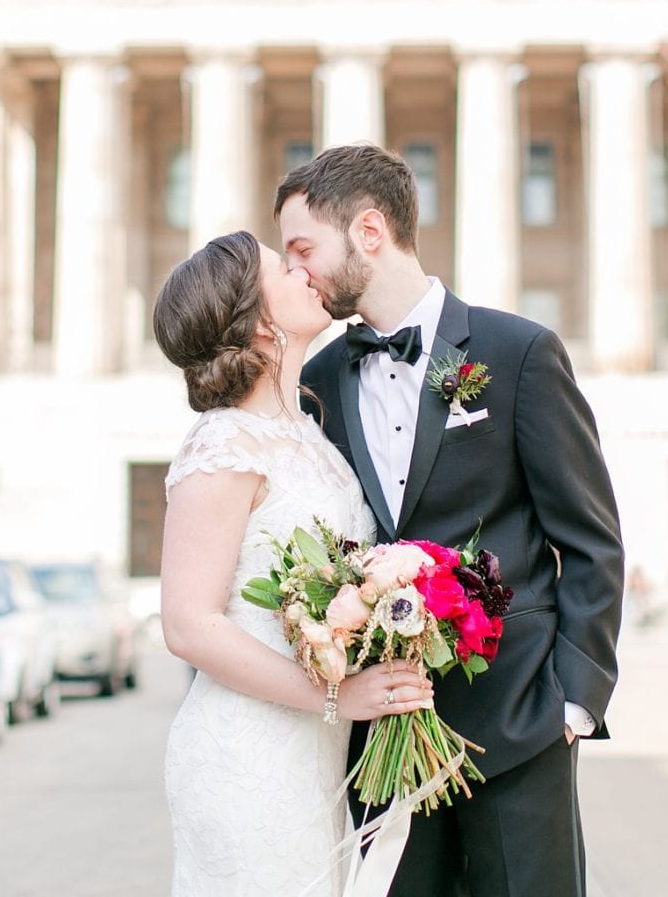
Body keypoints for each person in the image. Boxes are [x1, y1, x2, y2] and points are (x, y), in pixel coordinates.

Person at [278, 144, 625, 897]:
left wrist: (574, 700)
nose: (295, 271)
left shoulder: (519, 352)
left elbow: (590, 537)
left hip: (519, 725)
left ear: (369, 231)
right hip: (382, 739)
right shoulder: (319, 381)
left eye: (303, 249)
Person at [155, 230, 433, 897]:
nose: (307, 270)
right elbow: (188, 626)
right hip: (247, 753)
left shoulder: (310, 430)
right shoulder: (223, 443)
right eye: (286, 267)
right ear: (255, 320)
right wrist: (337, 694)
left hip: (316, 755)